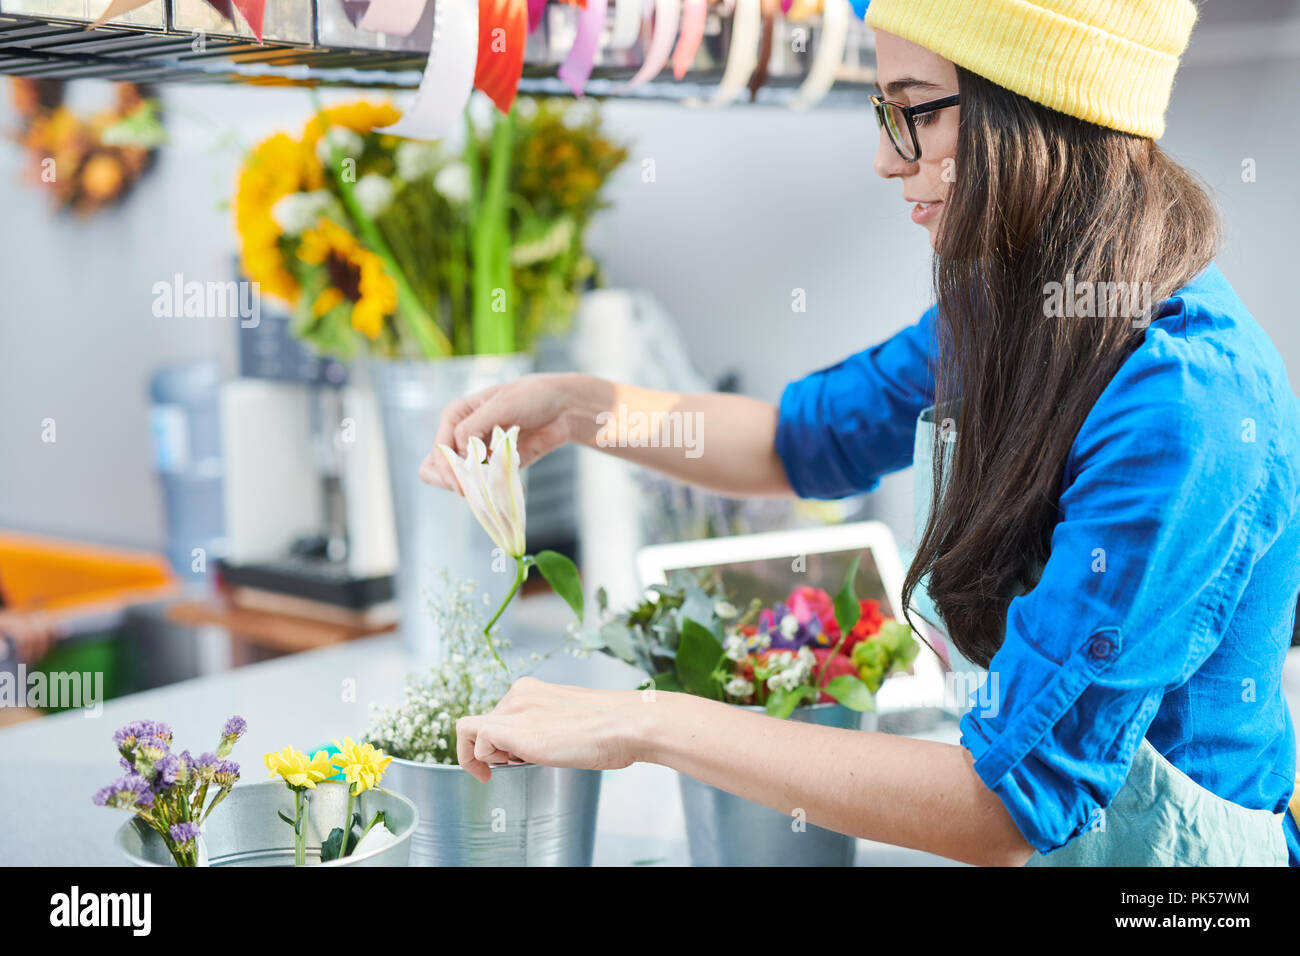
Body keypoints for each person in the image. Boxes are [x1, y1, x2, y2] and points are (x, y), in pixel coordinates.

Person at [420, 0, 1300, 866]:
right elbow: (797, 444)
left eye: (912, 110)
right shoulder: (1005, 305)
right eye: (885, 113)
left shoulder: (1184, 408)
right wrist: (582, 408)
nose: (886, 158)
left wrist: (645, 719)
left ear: (1029, 110)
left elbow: (1002, 811)